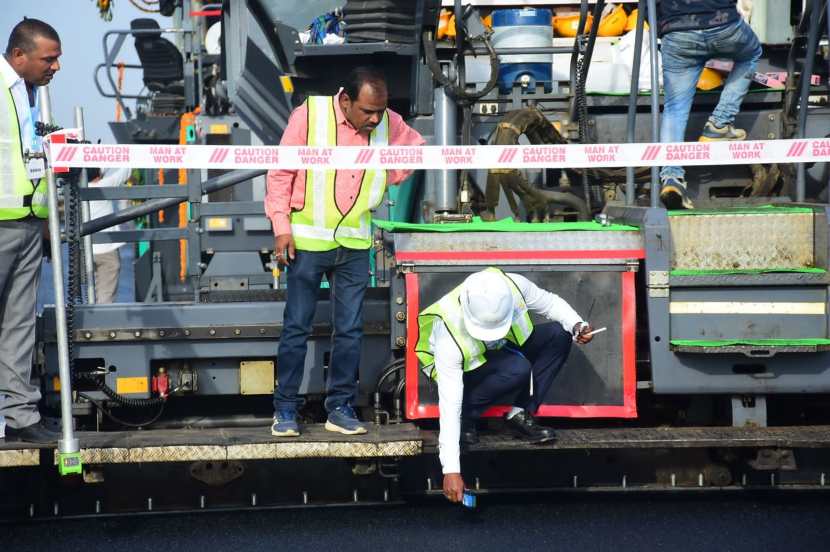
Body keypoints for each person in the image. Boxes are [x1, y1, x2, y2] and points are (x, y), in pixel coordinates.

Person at [264, 66, 424, 436]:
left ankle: (340, 408)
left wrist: (390, 173)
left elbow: (416, 150)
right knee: (296, 328)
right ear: (346, 101)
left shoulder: (388, 121)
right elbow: (280, 172)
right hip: (306, 242)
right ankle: (285, 410)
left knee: (350, 330)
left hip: (353, 243)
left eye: (379, 112)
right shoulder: (310, 115)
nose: (374, 119)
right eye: (367, 111)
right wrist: (281, 227)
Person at [415, 267, 595, 503]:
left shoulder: (514, 287)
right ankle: (467, 416)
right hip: (462, 370)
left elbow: (551, 304)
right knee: (516, 369)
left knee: (558, 334)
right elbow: (449, 403)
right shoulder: (448, 334)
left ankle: (520, 414)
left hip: (499, 350)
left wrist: (577, 325)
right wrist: (451, 470)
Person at [0, 19, 61, 444]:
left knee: (20, 324)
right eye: (49, 58)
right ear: (19, 55)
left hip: (27, 224)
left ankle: (20, 415)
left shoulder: (30, 93)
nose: (55, 66)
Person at [657, 0, 762, 209]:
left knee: (674, 108)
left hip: (677, 31)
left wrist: (664, 28)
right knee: (751, 53)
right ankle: (719, 124)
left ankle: (671, 177)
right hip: (722, 23)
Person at [87, 166, 131, 303]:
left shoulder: (77, 189)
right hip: (106, 249)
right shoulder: (104, 185)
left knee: (88, 292)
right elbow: (125, 171)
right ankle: (102, 322)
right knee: (106, 295)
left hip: (85, 249)